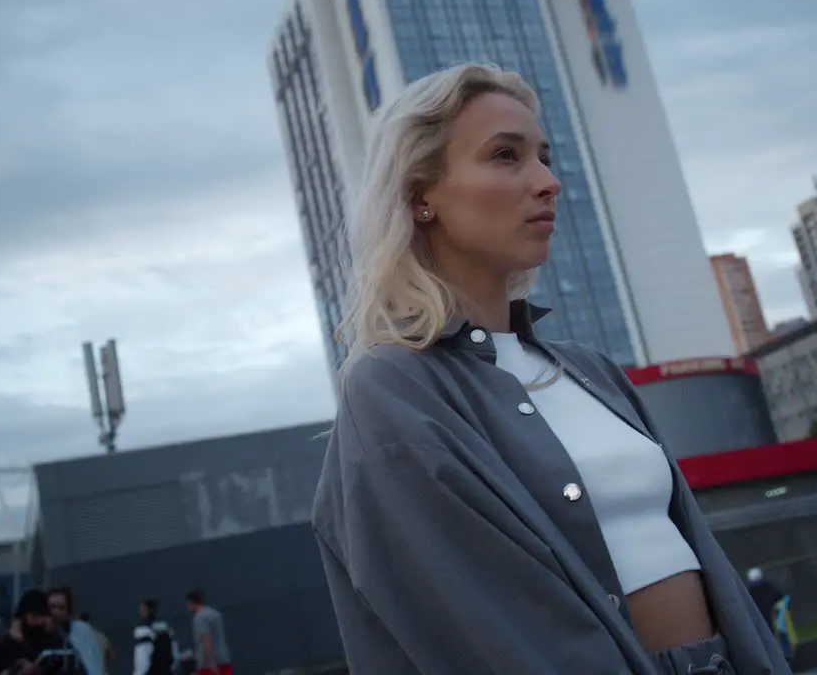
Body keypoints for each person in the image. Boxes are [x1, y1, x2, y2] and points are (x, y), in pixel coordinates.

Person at [311, 62, 788, 674]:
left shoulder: (593, 371)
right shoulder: (394, 388)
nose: (548, 181)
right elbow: (485, 626)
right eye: (506, 156)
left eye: (544, 156)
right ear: (420, 196)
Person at [0, 588, 64, 675]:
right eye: (36, 617)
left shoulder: (50, 643)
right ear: (25, 615)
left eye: (43, 617)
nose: (40, 622)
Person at [46, 588, 100, 675]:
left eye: (61, 608)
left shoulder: (79, 631)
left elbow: (91, 665)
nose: (55, 612)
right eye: (52, 607)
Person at [185, 590, 232, 675]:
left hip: (207, 663)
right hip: (223, 658)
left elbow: (206, 639)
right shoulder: (215, 613)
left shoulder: (199, 618)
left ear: (191, 602)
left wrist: (211, 662)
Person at [134, 599, 180, 675]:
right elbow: (174, 651)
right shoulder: (165, 626)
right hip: (166, 670)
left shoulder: (142, 630)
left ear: (147, 610)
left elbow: (142, 657)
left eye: (142, 609)